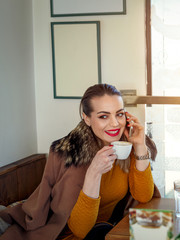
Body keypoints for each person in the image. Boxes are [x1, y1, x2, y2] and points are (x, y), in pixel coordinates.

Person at [0, 83, 160, 240]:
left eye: (119, 114)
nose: (115, 123)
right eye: (104, 116)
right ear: (87, 118)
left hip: (108, 229)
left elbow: (144, 196)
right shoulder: (70, 155)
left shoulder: (125, 145)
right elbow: (80, 231)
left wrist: (140, 146)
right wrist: (93, 173)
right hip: (66, 234)